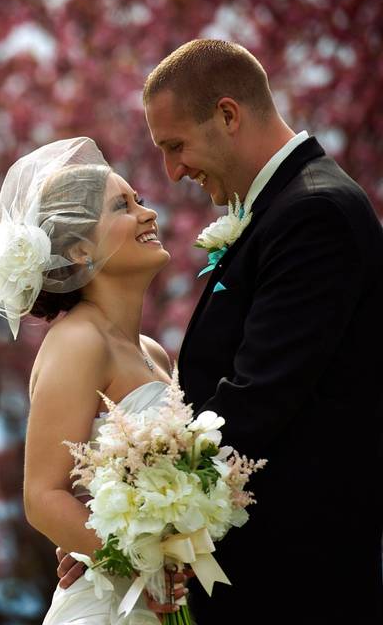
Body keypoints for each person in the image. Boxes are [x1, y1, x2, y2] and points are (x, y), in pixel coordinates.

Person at [141, 37, 383, 623]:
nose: (172, 173)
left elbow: (257, 399)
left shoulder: (314, 214)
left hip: (297, 580)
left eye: (176, 146)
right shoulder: (284, 209)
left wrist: (134, 534)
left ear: (227, 114)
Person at [0, 137, 187, 623]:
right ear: (82, 249)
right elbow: (42, 497)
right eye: (122, 207)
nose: (147, 214)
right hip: (112, 605)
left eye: (140, 201)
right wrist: (139, 569)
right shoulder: (78, 341)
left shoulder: (152, 352)